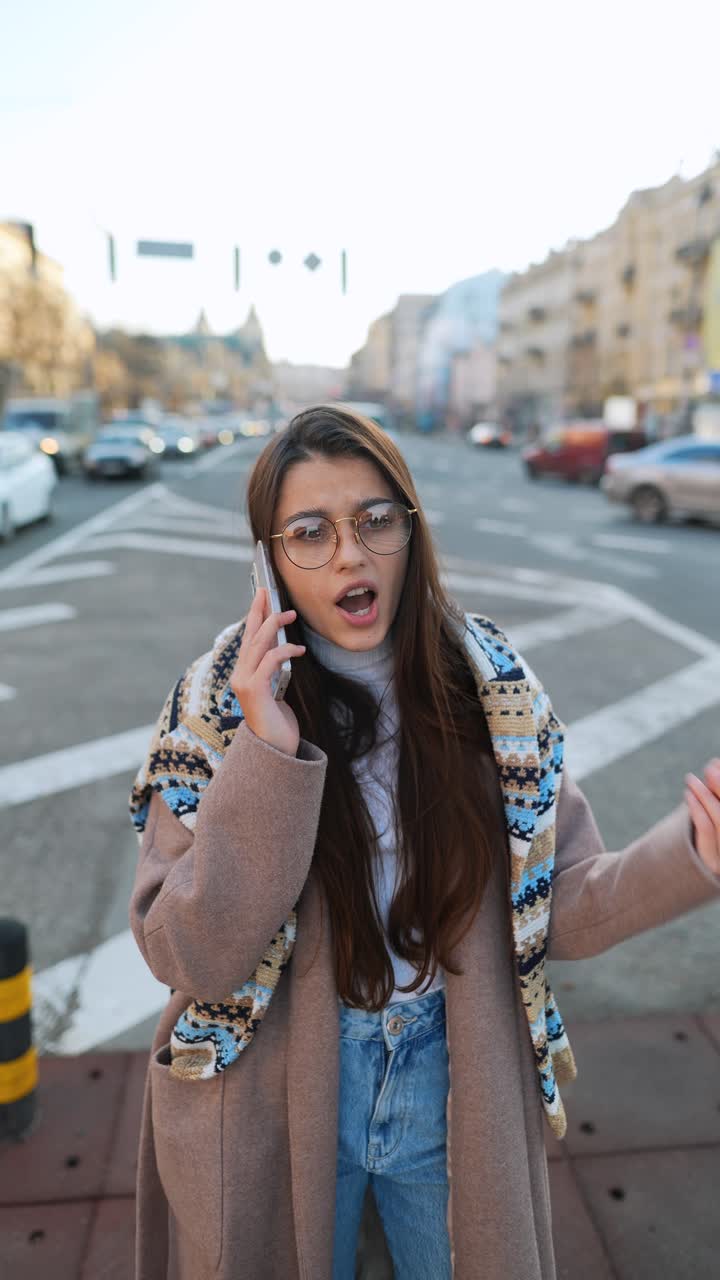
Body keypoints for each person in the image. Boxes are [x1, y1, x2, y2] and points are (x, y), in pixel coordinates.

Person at [128, 405, 720, 1280]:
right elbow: (188, 953)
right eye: (309, 533)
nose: (350, 555)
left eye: (375, 519)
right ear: (268, 560)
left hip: (450, 1076)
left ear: (411, 529)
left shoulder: (493, 690)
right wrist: (268, 751)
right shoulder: (215, 708)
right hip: (278, 1087)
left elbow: (559, 909)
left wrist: (697, 851)